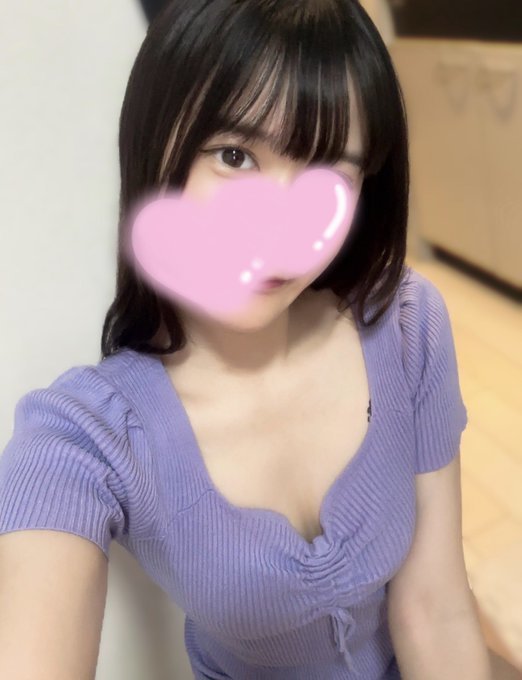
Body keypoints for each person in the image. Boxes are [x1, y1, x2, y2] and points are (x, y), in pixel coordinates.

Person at [0, 1, 497, 678]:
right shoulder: (85, 437)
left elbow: (434, 608)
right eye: (235, 156)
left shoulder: (406, 322)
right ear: (156, 145)